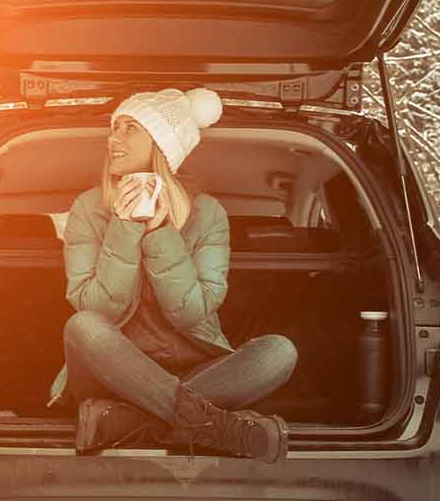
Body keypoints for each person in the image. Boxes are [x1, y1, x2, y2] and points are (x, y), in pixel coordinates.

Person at [43, 87, 297, 462]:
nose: (114, 138)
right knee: (83, 326)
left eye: (130, 128)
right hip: (108, 371)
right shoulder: (88, 208)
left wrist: (161, 234)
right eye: (115, 128)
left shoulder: (208, 215)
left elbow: (193, 312)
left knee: (279, 351)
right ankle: (215, 427)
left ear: (162, 145)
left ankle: (128, 423)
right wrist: (126, 227)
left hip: (196, 365)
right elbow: (97, 308)